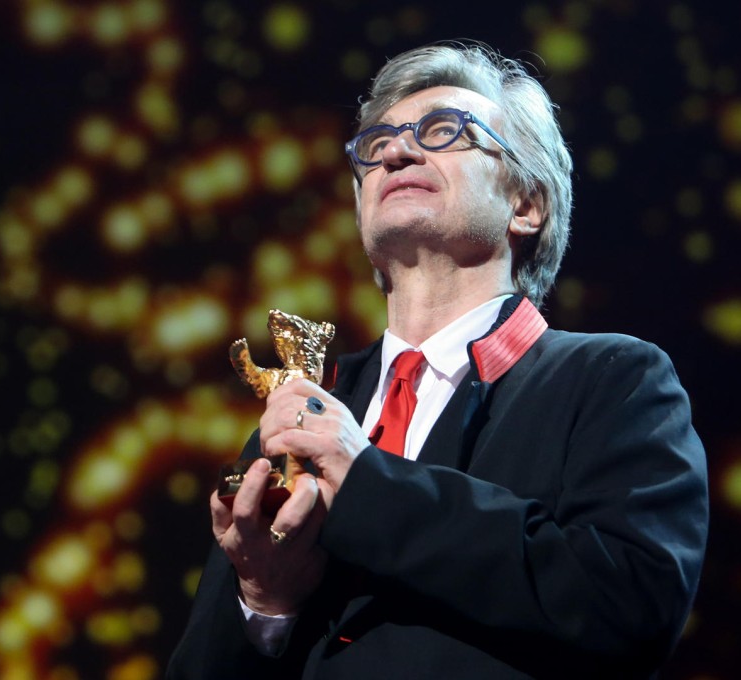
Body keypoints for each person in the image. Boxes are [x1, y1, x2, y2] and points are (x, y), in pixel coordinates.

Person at [166, 41, 708, 679]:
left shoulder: (613, 381)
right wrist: (265, 603)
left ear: (525, 205)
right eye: (376, 144)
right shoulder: (305, 406)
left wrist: (367, 483)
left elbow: (630, 603)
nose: (395, 152)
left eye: (443, 130)